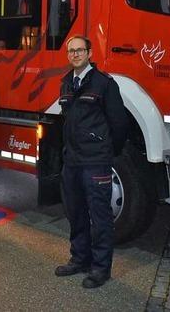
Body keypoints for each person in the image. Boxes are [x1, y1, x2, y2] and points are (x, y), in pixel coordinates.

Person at [55, 35, 128, 289]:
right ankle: (79, 259)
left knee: (100, 216)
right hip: (72, 160)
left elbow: (119, 124)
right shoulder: (66, 82)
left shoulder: (105, 84)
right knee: (75, 212)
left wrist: (106, 151)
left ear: (89, 53)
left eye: (79, 50)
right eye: (71, 51)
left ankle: (100, 269)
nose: (75, 55)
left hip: (95, 161)